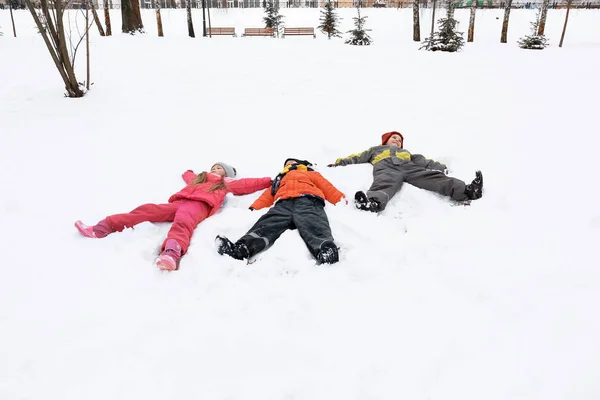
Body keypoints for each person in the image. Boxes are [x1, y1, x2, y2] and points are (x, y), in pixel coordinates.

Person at [74, 162, 272, 271]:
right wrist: (188, 172)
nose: (214, 169)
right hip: (179, 202)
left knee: (183, 223)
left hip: (199, 205)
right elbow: (188, 176)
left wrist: (269, 181)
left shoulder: (225, 183)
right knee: (146, 210)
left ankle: (172, 252)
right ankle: (102, 228)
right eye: (213, 166)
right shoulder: (199, 178)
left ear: (227, 173)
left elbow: (247, 184)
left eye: (218, 167)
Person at [216, 158, 346, 265]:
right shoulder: (280, 179)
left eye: (292, 162)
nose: (289, 165)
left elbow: (326, 187)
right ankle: (242, 248)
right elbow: (268, 195)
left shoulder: (310, 173)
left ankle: (325, 248)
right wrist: (254, 207)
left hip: (308, 200)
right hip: (283, 204)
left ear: (300, 164)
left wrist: (340, 199)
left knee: (313, 221)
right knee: (268, 223)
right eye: (287, 164)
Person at [328, 131, 483, 212]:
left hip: (409, 168)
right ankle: (373, 202)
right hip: (386, 167)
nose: (397, 140)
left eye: (400, 140)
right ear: (385, 141)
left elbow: (424, 162)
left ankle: (468, 191)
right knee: (384, 183)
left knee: (433, 177)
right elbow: (358, 157)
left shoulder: (407, 153)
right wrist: (340, 163)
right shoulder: (375, 150)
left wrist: (441, 168)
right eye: (394, 138)